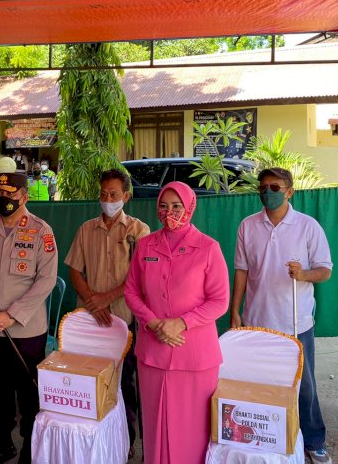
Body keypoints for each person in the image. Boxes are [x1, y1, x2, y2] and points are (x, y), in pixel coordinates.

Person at [231, 167, 333, 464]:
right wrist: (235, 310)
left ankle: (314, 440)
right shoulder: (248, 226)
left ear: (289, 191)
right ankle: (265, 436)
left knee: (305, 385)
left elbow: (325, 270)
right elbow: (242, 270)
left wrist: (304, 274)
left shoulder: (308, 226)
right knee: (261, 383)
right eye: (263, 187)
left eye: (275, 188)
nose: (267, 192)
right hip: (256, 320)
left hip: (295, 322)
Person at [124, 182, 229, 464]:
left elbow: (219, 301)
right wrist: (154, 322)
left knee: (192, 430)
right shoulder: (146, 244)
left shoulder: (208, 248)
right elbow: (131, 291)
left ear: (190, 207)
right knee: (156, 424)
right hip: (153, 352)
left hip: (194, 354)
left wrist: (181, 323)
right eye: (164, 206)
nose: (169, 212)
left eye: (176, 206)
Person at [0, 167, 58, 464]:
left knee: (28, 393)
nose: (3, 198)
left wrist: (12, 315)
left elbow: (46, 279)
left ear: (24, 196)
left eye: (9, 193)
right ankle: (3, 443)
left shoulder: (41, 231)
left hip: (26, 331)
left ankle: (30, 449)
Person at [65, 168, 150, 456]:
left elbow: (140, 278)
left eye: (113, 194)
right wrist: (92, 300)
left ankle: (126, 440)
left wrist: (107, 299)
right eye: (103, 194)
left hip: (124, 319)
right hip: (90, 319)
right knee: (89, 377)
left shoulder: (139, 231)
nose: (107, 199)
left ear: (126, 196)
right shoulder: (86, 229)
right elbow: (75, 270)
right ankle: (92, 435)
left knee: (124, 382)